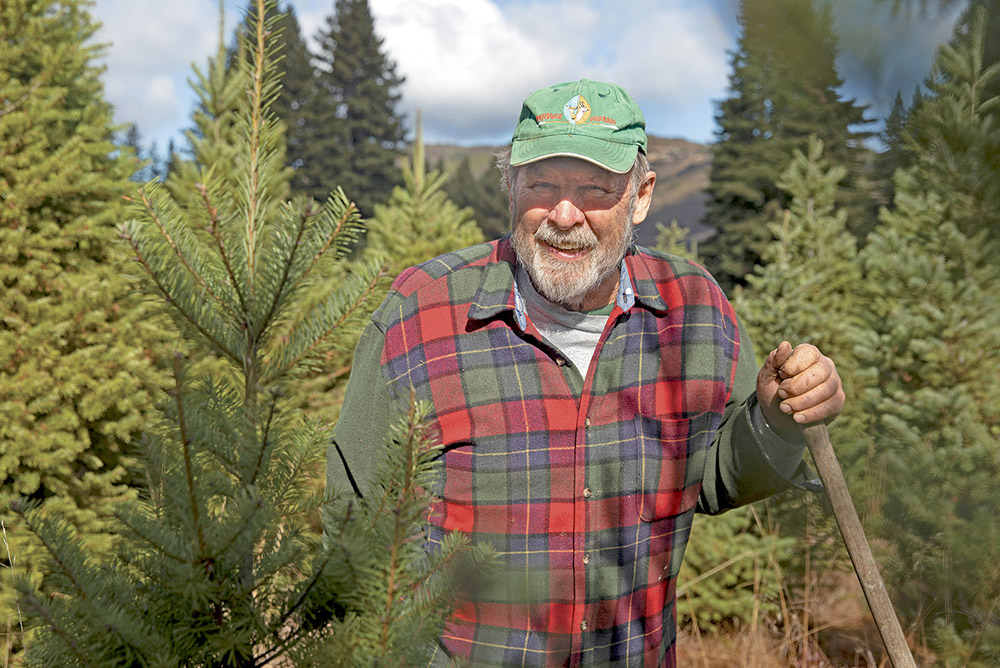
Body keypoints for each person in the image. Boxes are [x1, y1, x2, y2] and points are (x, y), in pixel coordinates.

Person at [327, 78, 844, 667]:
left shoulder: (693, 310)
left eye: (595, 189)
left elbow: (718, 472)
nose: (564, 215)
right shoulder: (419, 317)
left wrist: (776, 423)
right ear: (511, 185)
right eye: (541, 185)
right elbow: (354, 528)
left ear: (641, 196)